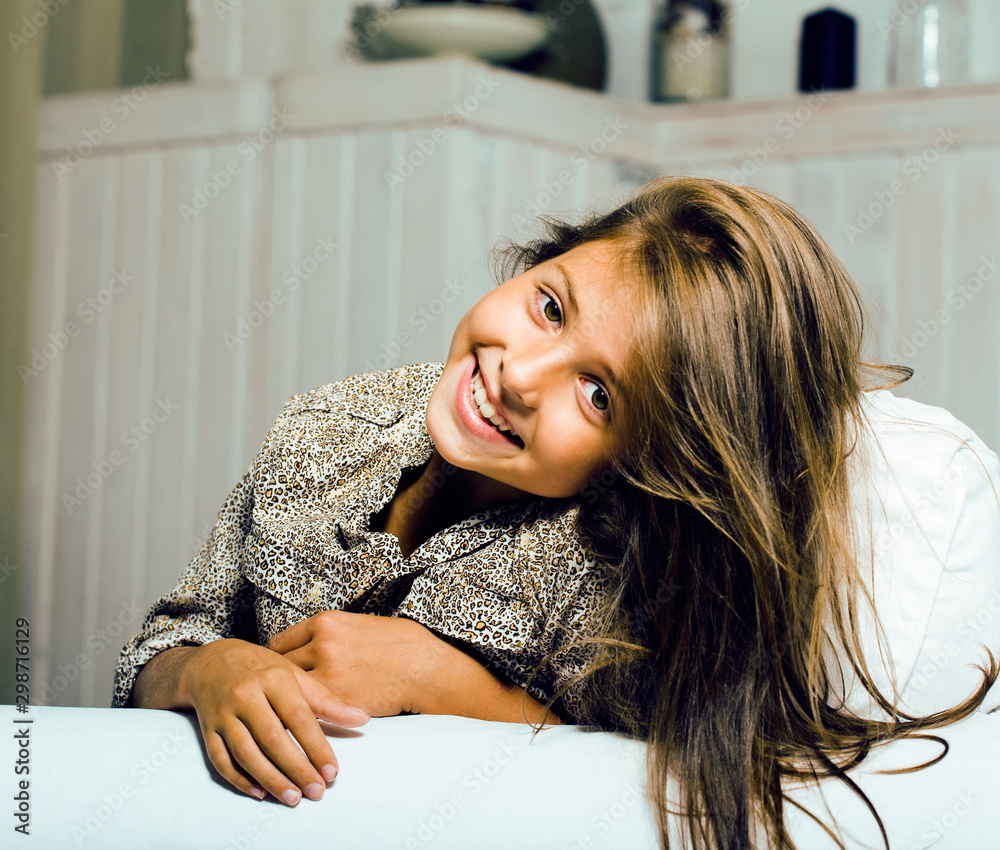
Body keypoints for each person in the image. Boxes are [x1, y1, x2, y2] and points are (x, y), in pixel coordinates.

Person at [114, 176, 1000, 849]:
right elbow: (156, 651)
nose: (520, 376)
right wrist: (209, 673)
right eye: (549, 307)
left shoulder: (612, 571)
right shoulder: (323, 426)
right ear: (538, 259)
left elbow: (673, 758)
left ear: (651, 453)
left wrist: (444, 682)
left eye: (600, 395)